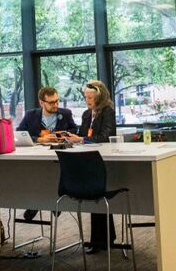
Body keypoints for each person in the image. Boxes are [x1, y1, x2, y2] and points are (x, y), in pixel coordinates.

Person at [17, 87, 79, 220]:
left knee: (55, 175)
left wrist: (62, 136)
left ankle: (47, 202)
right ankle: (40, 202)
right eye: (51, 102)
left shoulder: (66, 113)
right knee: (38, 176)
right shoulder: (30, 115)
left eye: (57, 101)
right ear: (42, 103)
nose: (55, 105)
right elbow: (20, 133)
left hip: (60, 154)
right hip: (37, 155)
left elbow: (74, 129)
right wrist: (39, 139)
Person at [78, 80, 117, 254]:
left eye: (91, 97)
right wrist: (74, 138)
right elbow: (81, 135)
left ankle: (103, 240)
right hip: (88, 159)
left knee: (99, 197)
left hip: (104, 159)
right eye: (86, 97)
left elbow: (105, 136)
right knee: (95, 198)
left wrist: (81, 140)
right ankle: (100, 240)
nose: (87, 100)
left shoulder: (108, 111)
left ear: (99, 98)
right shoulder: (87, 114)